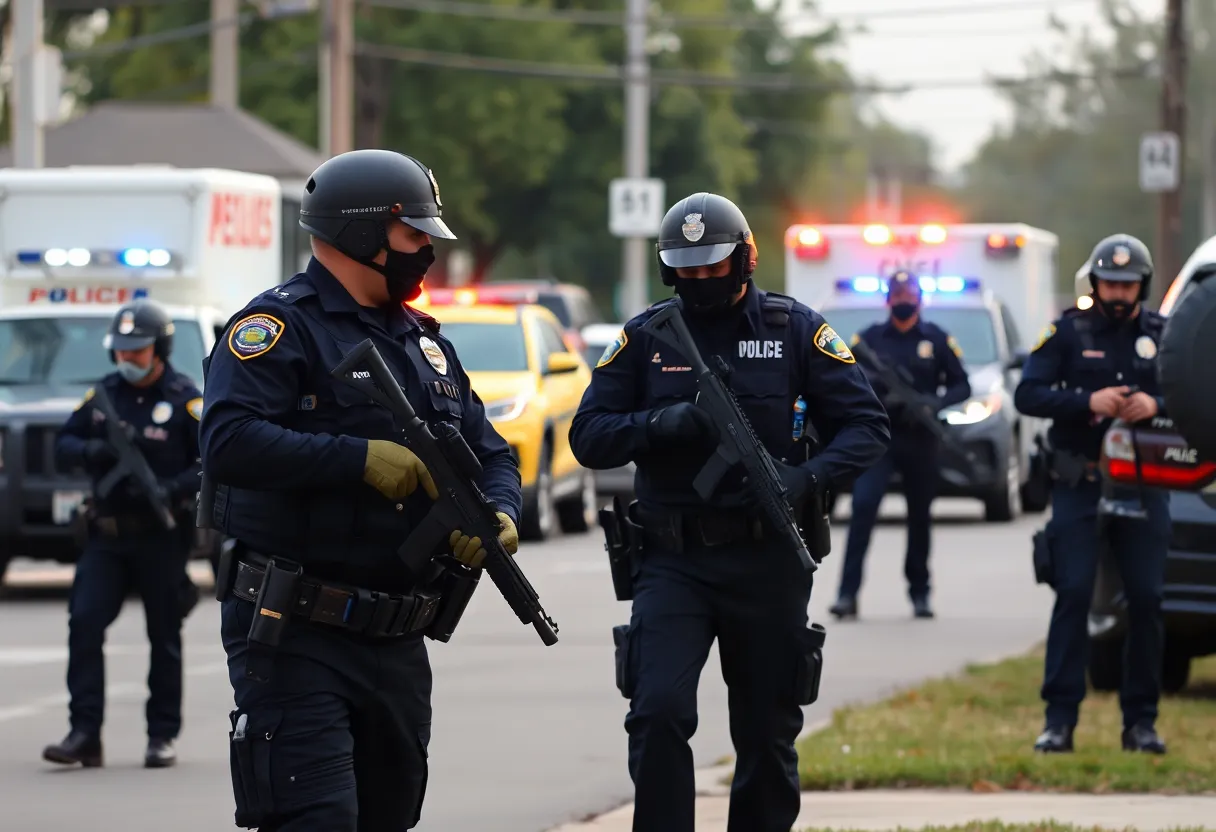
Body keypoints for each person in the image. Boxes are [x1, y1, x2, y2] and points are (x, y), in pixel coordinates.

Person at [198, 148, 523, 830]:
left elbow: (490, 451)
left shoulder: (424, 343)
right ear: (360, 232)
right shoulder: (278, 329)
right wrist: (356, 458)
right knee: (317, 818)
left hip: (398, 636)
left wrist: (498, 510)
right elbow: (228, 442)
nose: (427, 253)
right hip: (297, 630)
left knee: (389, 817)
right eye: (414, 236)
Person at [570, 192, 890, 832]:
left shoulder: (796, 329)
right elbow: (588, 434)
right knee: (657, 712)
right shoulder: (646, 335)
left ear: (744, 260)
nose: (698, 280)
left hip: (768, 556)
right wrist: (661, 423)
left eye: (710, 267)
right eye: (684, 270)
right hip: (672, 558)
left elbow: (867, 427)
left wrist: (805, 479)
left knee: (767, 731)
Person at [1014, 233, 1169, 755]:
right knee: (1074, 594)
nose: (1119, 292)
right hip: (1078, 484)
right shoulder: (1066, 331)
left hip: (1145, 488)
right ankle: (1059, 721)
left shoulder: (1163, 334)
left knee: (1147, 599)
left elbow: (1198, 389)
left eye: (1128, 284)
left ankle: (1141, 723)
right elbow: (1028, 393)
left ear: (1141, 285)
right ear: (1095, 282)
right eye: (1111, 282)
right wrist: (1088, 400)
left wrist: (1156, 402)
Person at [43, 300, 203, 769]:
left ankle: (162, 736)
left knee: (164, 635)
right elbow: (63, 446)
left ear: (161, 348)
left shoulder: (183, 398)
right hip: (107, 536)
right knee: (85, 624)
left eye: (137, 351)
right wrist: (96, 449)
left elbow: (210, 463)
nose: (127, 360)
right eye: (122, 351)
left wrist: (172, 488)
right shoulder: (103, 397)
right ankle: (84, 733)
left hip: (160, 535)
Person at [829, 271, 972, 620]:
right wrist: (880, 399)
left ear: (920, 300)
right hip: (879, 439)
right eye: (898, 295)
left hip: (920, 440)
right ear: (888, 299)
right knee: (862, 509)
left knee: (920, 517)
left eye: (910, 295)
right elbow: (846, 379)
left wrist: (930, 404)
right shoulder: (870, 340)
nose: (904, 301)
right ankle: (847, 595)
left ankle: (920, 593)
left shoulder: (936, 339)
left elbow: (961, 386)